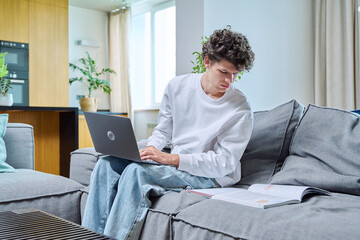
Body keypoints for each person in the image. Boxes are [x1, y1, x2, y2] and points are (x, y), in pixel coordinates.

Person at [82, 27, 255, 240]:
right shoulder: (177, 86)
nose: (229, 81)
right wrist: (152, 148)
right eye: (224, 72)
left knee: (136, 173)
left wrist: (171, 158)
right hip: (176, 163)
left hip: (212, 176)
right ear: (207, 61)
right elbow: (163, 129)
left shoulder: (240, 108)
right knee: (106, 165)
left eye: (235, 75)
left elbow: (224, 163)